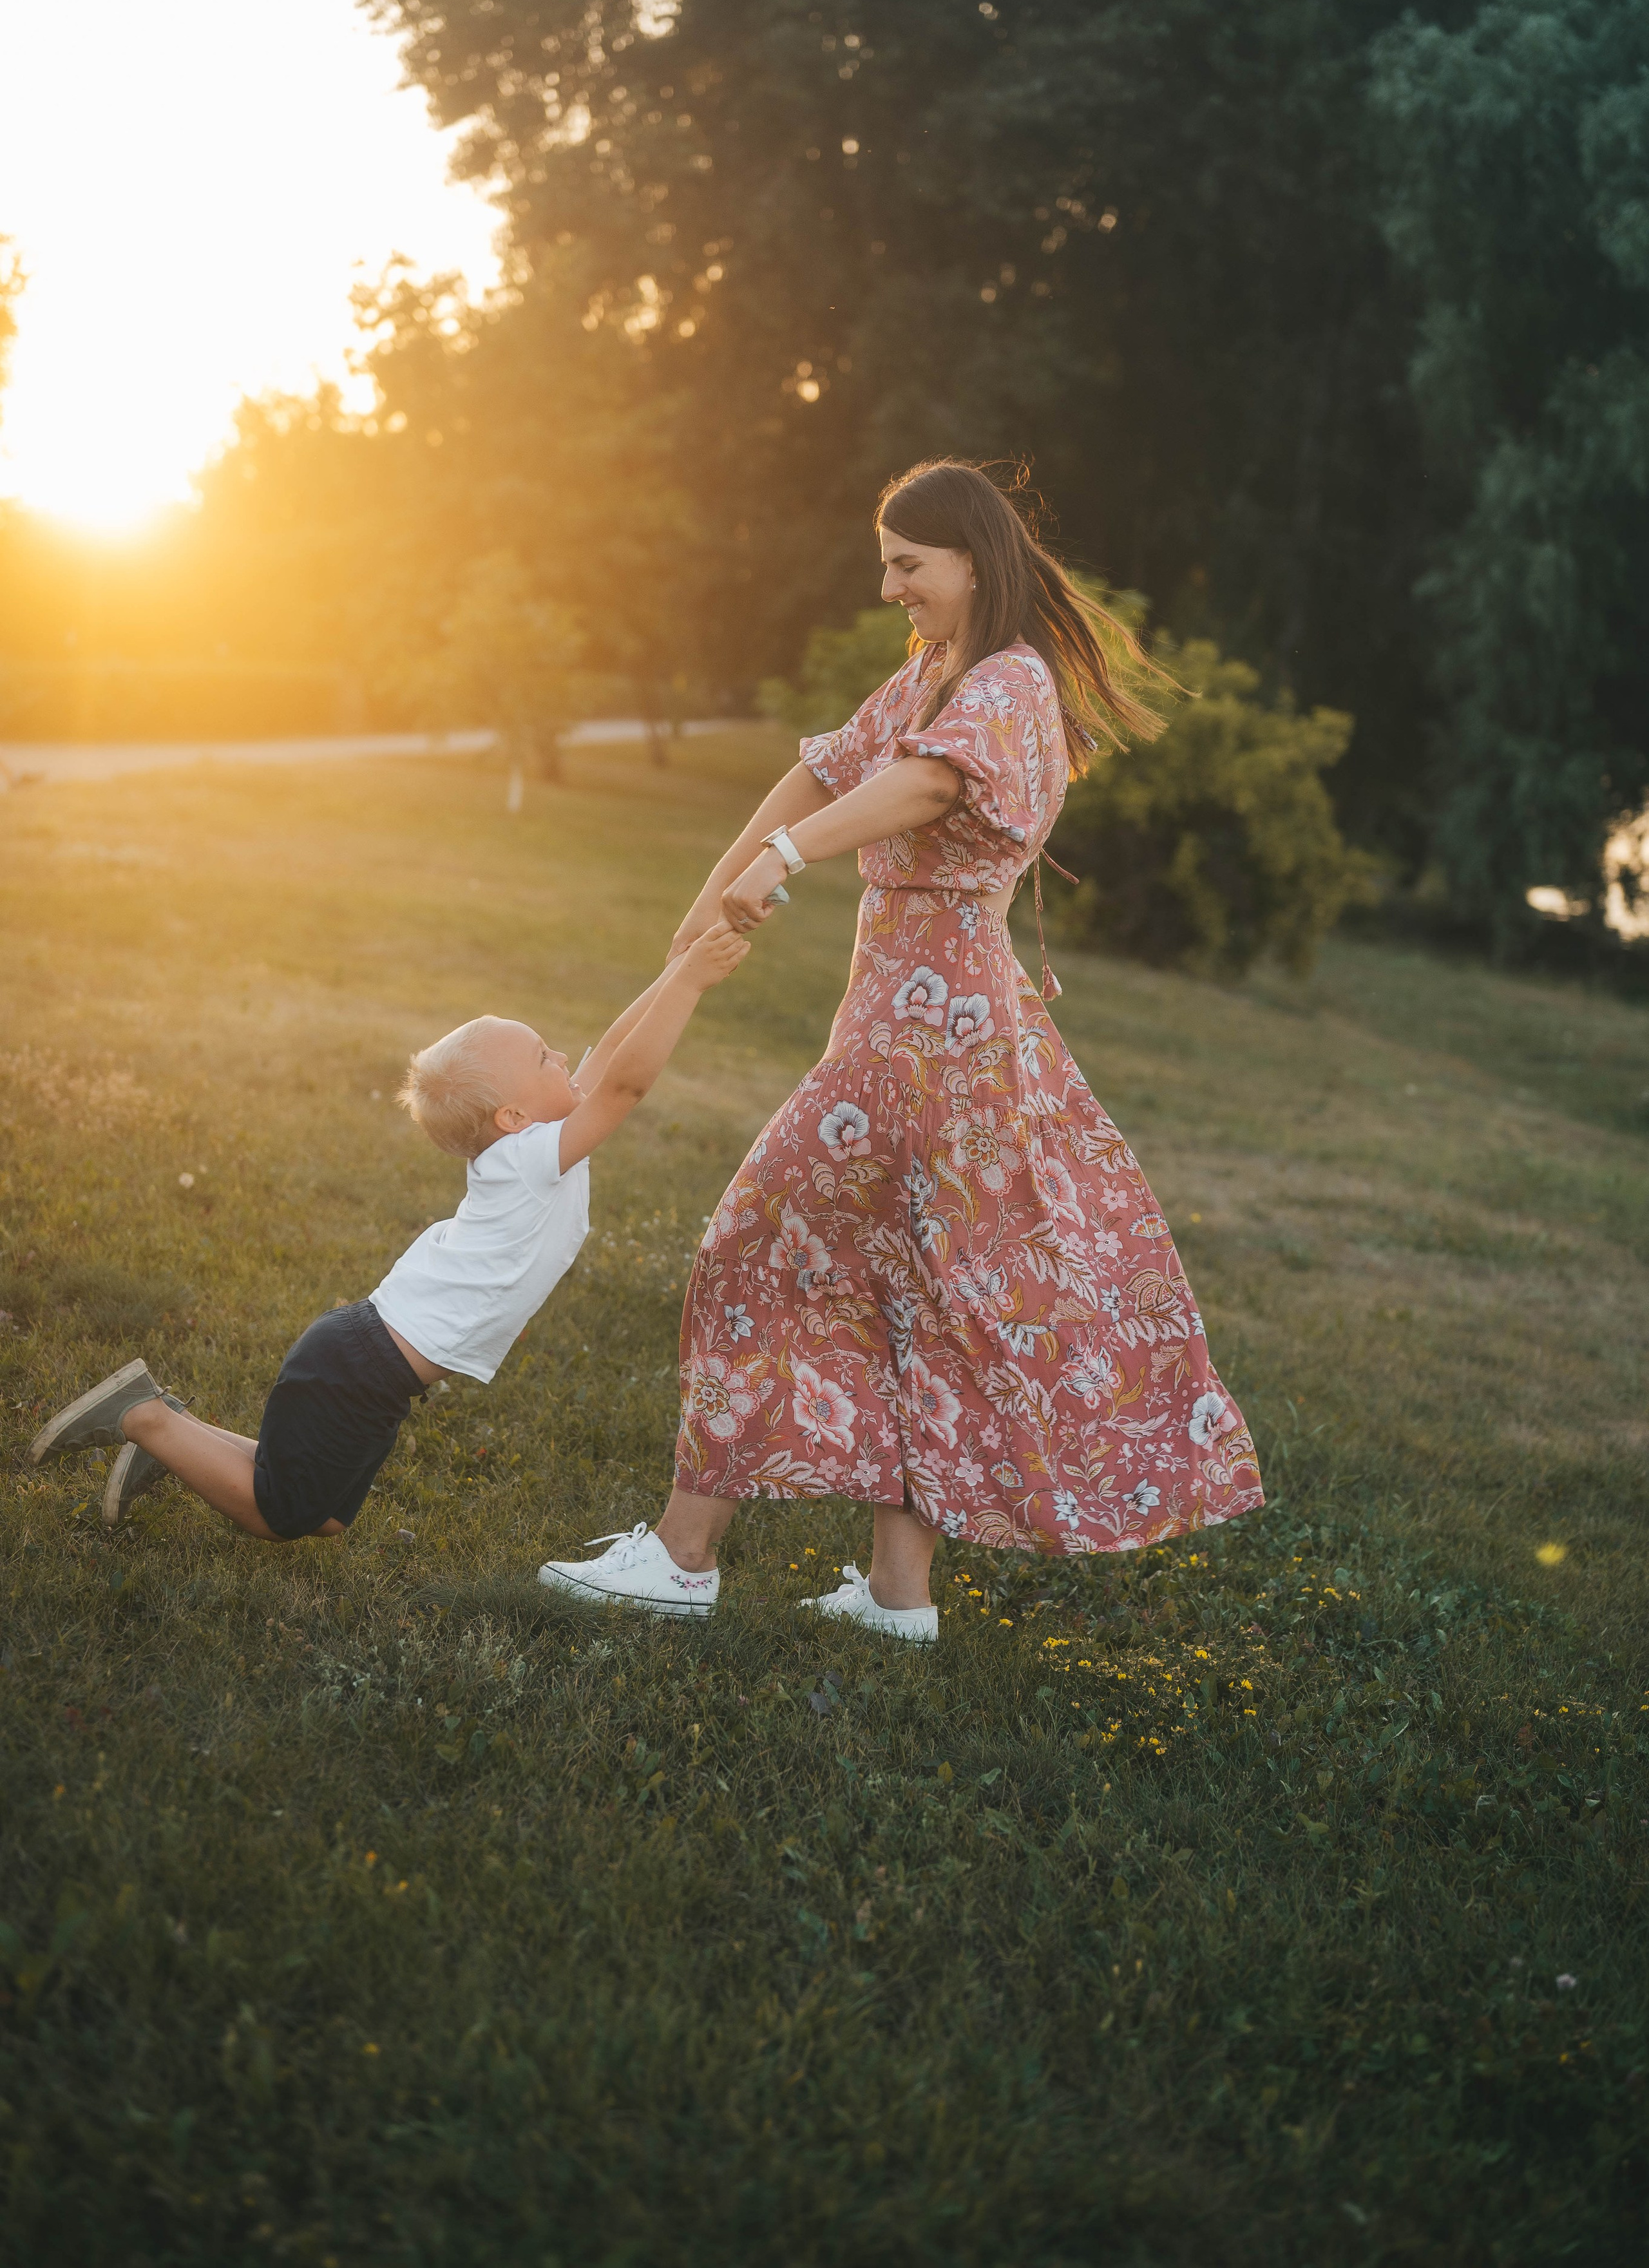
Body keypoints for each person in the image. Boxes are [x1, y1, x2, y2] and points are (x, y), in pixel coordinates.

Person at [537, 461, 1264, 1637]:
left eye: (907, 564)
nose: (890, 588)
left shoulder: (1011, 682)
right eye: (887, 565)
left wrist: (787, 861)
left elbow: (927, 785)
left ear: (971, 558)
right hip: (923, 1022)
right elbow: (825, 765)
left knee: (754, 1238)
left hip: (929, 1031)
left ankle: (681, 1557)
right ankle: (896, 1594)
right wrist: (711, 895)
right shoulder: (938, 670)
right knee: (918, 1281)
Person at [28, 927, 748, 1537]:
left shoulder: (538, 1137)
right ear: (511, 1117)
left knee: (326, 1517)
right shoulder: (532, 1157)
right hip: (360, 1367)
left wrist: (673, 972)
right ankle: (144, 1418)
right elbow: (626, 1083)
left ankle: (175, 1434)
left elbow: (615, 1049)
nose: (564, 1059)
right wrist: (689, 983)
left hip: (369, 1368)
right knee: (280, 1515)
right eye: (544, 1057)